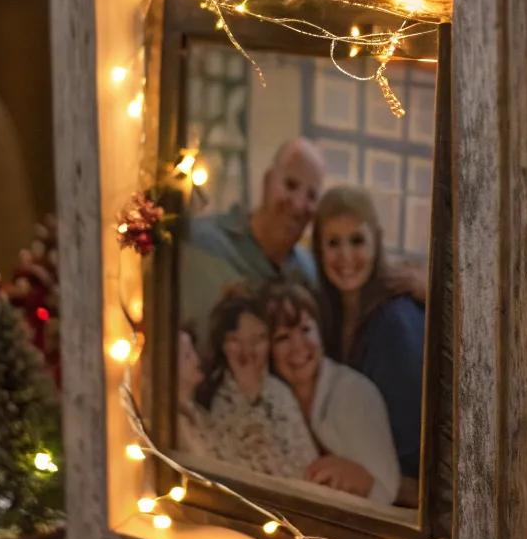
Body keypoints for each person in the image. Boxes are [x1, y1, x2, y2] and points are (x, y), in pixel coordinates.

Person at [312, 186, 425, 497]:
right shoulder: (327, 316)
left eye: (357, 240)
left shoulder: (394, 324)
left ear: (377, 240)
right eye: (334, 243)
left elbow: (412, 454)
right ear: (319, 251)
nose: (346, 256)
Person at [179, 138, 325, 355]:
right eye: (290, 185)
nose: (298, 204)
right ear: (267, 182)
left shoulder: (309, 274)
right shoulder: (199, 243)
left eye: (311, 196)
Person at [262, 282, 401, 507]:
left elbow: (386, 491)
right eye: (283, 337)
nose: (298, 347)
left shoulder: (354, 393)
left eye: (306, 329)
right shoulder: (270, 398)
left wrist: (356, 477)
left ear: (320, 332)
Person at [178, 284, 318, 478]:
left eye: (257, 340)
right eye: (235, 340)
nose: (247, 352)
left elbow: (307, 463)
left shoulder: (280, 393)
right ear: (222, 345)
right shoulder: (209, 399)